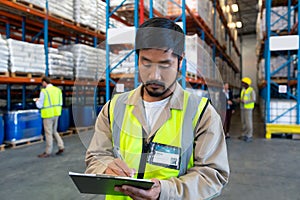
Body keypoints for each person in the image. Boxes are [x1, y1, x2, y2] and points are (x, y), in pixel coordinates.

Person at [85, 17, 229, 200]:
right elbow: (95, 156)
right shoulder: (114, 108)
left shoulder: (202, 114)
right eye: (146, 63)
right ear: (137, 60)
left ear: (180, 61)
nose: (154, 75)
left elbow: (213, 175)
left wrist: (164, 191)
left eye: (165, 64)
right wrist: (106, 168)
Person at [35, 77, 64, 158]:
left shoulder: (44, 91)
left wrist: (37, 101)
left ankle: (48, 151)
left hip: (48, 115)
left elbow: (40, 105)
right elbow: (60, 102)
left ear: (44, 82)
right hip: (57, 113)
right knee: (54, 131)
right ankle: (61, 146)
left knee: (48, 133)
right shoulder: (58, 90)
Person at [239, 77, 256, 142]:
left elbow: (253, 99)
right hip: (242, 107)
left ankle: (249, 135)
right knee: (243, 121)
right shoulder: (243, 90)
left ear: (247, 83)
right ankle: (244, 134)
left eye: (243, 83)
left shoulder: (251, 90)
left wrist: (246, 101)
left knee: (248, 122)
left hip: (248, 108)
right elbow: (242, 97)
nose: (242, 84)